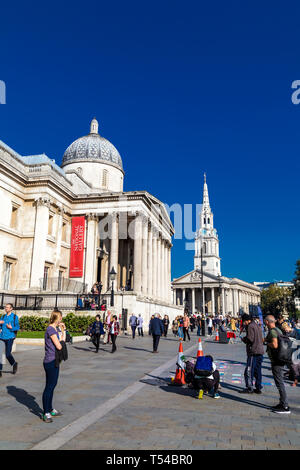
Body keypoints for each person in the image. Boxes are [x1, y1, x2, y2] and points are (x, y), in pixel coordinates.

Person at [42, 310, 66, 423]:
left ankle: (50, 408)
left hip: (55, 360)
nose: (61, 319)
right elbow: (59, 346)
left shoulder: (55, 329)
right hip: (50, 360)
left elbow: (63, 340)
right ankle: (46, 412)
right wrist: (61, 340)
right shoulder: (50, 329)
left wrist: (63, 330)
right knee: (49, 386)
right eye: (60, 317)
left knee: (53, 385)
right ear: (57, 317)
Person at [264, 315, 290, 414]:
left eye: (265, 321)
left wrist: (267, 343)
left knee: (279, 383)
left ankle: (285, 406)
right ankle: (282, 403)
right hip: (281, 358)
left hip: (277, 360)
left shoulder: (272, 331)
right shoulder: (278, 330)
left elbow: (275, 344)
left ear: (267, 322)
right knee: (280, 382)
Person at [239, 313, 264, 394]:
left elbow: (250, 339)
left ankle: (249, 387)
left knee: (249, 371)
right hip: (260, 351)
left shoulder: (250, 326)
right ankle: (258, 387)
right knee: (258, 370)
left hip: (254, 351)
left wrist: (244, 339)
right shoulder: (257, 325)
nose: (243, 323)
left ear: (247, 320)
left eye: (244, 321)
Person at [0, 303, 20, 377]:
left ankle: (14, 364)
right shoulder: (3, 316)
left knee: (8, 354)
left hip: (10, 337)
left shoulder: (14, 317)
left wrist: (11, 328)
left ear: (11, 309)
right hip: (1, 337)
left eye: (8, 308)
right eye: (5, 307)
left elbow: (17, 327)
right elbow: (0, 325)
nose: (6, 309)